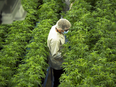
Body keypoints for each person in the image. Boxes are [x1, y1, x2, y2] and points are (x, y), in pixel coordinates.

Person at [47, 19, 71, 87]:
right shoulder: (55, 40)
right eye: (66, 30)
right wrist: (66, 55)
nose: (67, 31)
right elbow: (55, 54)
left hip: (60, 54)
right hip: (57, 63)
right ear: (60, 29)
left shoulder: (55, 27)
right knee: (58, 80)